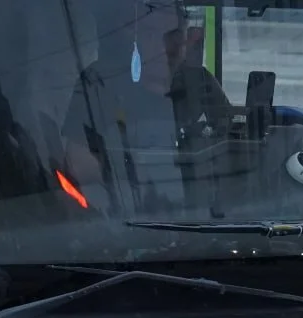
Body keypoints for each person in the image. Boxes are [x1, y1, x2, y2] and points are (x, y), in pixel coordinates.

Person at [60, 0, 231, 187]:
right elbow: (76, 164)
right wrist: (123, 165)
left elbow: (233, 139)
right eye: (151, 34)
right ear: (135, 37)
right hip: (124, 199)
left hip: (202, 200)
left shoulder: (201, 83)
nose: (166, 46)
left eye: (174, 36)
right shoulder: (98, 83)